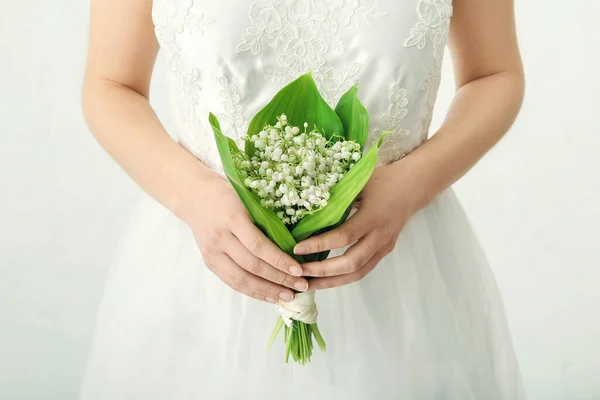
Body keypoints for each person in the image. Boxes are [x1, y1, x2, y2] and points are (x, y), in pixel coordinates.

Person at [79, 0, 526, 398]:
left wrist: (411, 185)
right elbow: (111, 83)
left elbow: (494, 73)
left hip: (400, 267)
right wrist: (194, 197)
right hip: (206, 267)